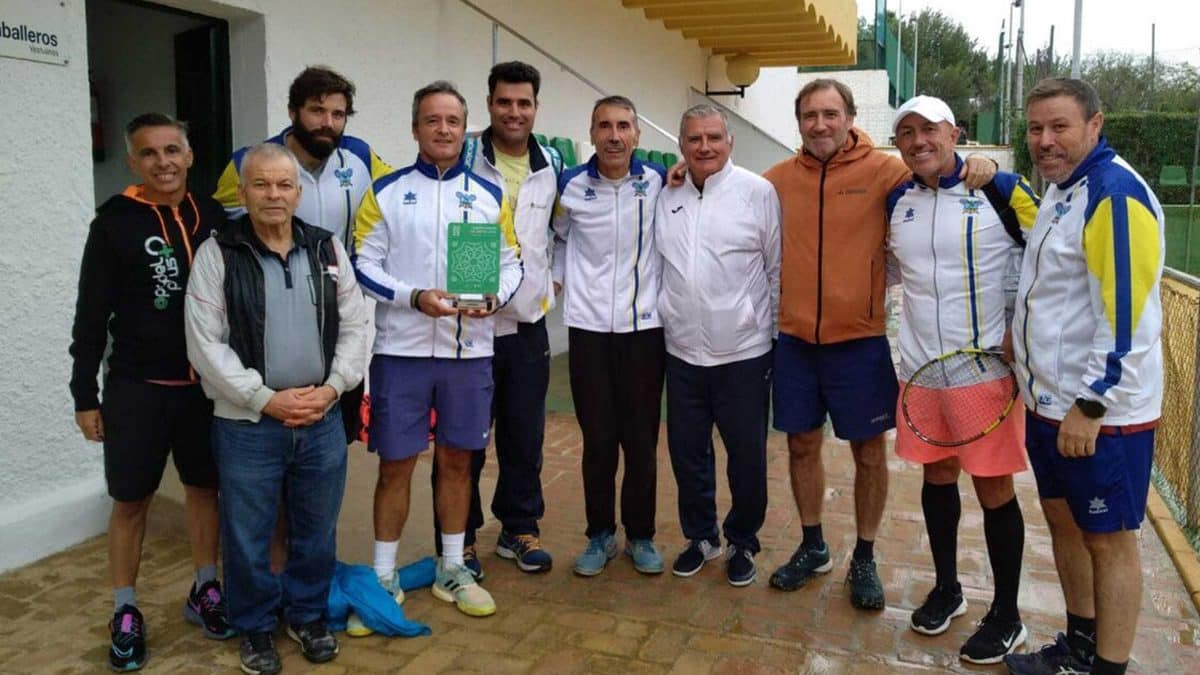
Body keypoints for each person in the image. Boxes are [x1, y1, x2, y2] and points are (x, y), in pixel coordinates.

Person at [763, 78, 996, 609]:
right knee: (801, 445)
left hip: (860, 342)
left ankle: (864, 555)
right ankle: (812, 543)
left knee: (869, 452)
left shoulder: (886, 172)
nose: (820, 125)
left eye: (830, 114)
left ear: (849, 117)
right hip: (795, 340)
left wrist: (987, 168)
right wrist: (680, 174)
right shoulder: (775, 180)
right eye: (809, 116)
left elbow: (942, 171)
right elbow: (725, 192)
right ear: (798, 123)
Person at [185, 143, 368, 674]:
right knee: (247, 534)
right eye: (261, 185)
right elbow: (206, 344)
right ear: (242, 193)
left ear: (298, 191)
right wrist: (264, 399)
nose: (273, 195)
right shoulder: (218, 253)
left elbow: (357, 326)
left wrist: (334, 387)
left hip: (321, 416)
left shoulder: (327, 248)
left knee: (316, 528)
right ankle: (256, 627)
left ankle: (307, 615)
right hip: (247, 424)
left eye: (284, 185)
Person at [1005, 78, 1164, 675]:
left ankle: (1108, 667)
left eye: (1059, 127)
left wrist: (1092, 405)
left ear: (1095, 125)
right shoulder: (1060, 189)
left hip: (1101, 416)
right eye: (1035, 128)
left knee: (1109, 540)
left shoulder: (1113, 193)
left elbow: (1129, 318)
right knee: (1064, 523)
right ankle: (1078, 645)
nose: (1045, 140)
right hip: (1048, 404)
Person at [70, 113, 233, 672]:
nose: (163, 162)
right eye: (149, 153)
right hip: (138, 389)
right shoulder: (113, 224)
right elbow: (90, 317)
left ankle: (205, 588)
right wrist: (83, 396)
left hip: (205, 391)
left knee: (204, 489)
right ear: (132, 162)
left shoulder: (214, 217)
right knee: (131, 500)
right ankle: (124, 610)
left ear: (189, 156)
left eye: (172, 150)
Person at [353, 81, 522, 618]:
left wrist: (496, 296)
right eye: (433, 120)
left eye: (453, 121)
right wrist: (412, 297)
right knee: (396, 465)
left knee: (458, 461)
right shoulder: (385, 191)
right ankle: (382, 574)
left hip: (469, 352)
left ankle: (453, 566)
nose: (443, 129)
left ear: (464, 129)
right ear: (415, 128)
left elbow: (513, 262)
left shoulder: (491, 196)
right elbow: (361, 263)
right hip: (399, 351)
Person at [886, 95, 1039, 664]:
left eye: (930, 129)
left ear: (955, 134)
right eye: (906, 132)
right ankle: (947, 589)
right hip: (921, 370)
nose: (918, 140)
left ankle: (1007, 614)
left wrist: (1019, 331)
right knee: (937, 478)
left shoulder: (1000, 190)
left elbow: (1048, 252)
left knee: (995, 489)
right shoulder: (896, 200)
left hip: (985, 374)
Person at [214, 65, 391, 446]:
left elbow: (400, 202)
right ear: (293, 112)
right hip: (267, 318)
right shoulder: (251, 162)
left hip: (338, 317)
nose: (327, 123)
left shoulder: (361, 156)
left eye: (338, 114)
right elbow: (217, 230)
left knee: (330, 438)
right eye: (316, 110)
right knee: (268, 436)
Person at [431, 61, 561, 578]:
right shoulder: (460, 156)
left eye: (523, 102)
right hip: (470, 325)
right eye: (504, 102)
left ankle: (519, 528)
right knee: (464, 440)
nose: (514, 111)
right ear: (489, 104)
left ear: (535, 107)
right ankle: (457, 538)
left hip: (528, 325)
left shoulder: (550, 162)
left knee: (524, 437)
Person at [656, 104, 779, 587]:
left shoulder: (757, 192)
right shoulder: (666, 193)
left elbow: (775, 267)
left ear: (730, 141)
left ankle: (743, 540)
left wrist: (769, 335)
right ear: (681, 146)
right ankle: (700, 536)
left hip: (745, 353)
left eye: (713, 138)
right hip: (682, 349)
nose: (704, 147)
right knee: (688, 452)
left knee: (746, 455)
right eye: (693, 139)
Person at [552, 95, 667, 577]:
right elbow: (556, 238)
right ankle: (600, 534)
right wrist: (559, 282)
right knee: (598, 439)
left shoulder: (661, 182)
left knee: (640, 441)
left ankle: (640, 535)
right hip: (589, 331)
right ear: (592, 133)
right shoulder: (571, 187)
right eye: (605, 126)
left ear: (638, 134)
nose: (614, 135)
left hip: (645, 330)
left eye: (623, 126)